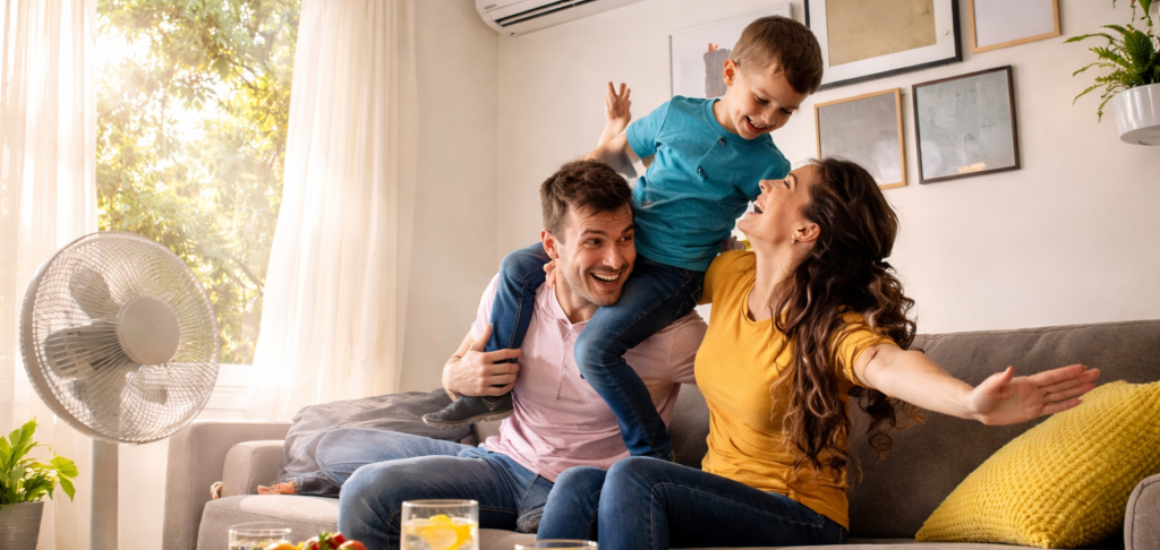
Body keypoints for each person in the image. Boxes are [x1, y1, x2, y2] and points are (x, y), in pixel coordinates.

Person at [536, 158, 1101, 549]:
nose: (766, 182)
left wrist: (970, 401)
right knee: (580, 483)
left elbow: (885, 363)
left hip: (799, 517)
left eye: (786, 181)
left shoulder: (827, 325)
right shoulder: (730, 274)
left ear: (806, 229)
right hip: (719, 497)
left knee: (637, 476)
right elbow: (633, 260)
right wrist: (555, 268)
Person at [424, 15, 824, 464]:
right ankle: (491, 392)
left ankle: (650, 451)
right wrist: (611, 131)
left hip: (673, 274)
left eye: (787, 110)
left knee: (594, 349)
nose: (770, 118)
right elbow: (610, 161)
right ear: (730, 74)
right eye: (763, 99)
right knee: (516, 265)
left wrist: (742, 254)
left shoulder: (768, 163)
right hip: (624, 242)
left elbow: (777, 225)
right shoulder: (676, 115)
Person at [334, 159, 706, 550]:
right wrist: (453, 377)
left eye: (625, 238)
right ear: (551, 246)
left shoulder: (669, 332)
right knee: (367, 490)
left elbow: (750, 395)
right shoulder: (513, 294)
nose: (615, 260)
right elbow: (457, 364)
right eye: (593, 241)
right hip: (504, 466)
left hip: (588, 491)